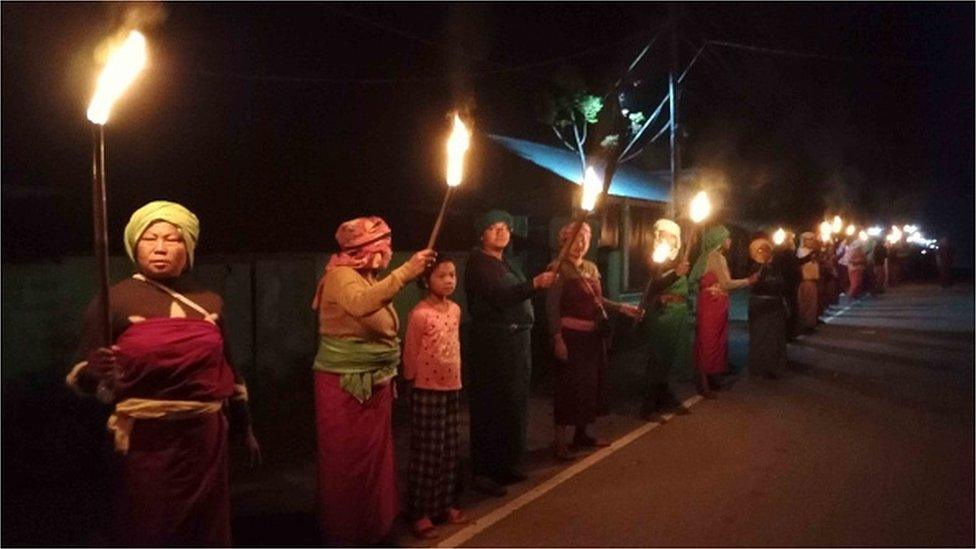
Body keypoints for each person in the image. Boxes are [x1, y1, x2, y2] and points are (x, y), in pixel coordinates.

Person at [65, 200, 260, 546]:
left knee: (204, 526)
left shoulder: (210, 301)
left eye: (172, 239)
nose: (159, 248)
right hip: (144, 442)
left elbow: (229, 369)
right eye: (149, 238)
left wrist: (244, 428)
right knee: (149, 523)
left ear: (188, 247)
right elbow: (82, 375)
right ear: (133, 245)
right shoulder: (114, 300)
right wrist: (94, 373)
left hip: (204, 439)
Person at [310, 216, 436, 545]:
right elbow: (362, 305)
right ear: (366, 250)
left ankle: (373, 526)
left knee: (375, 460)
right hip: (346, 388)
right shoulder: (341, 277)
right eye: (382, 246)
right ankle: (348, 533)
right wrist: (407, 272)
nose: (387, 253)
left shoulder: (366, 278)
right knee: (348, 464)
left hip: (374, 385)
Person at [464, 209, 557, 496]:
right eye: (494, 228)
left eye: (505, 227)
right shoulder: (478, 265)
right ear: (482, 234)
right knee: (491, 406)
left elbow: (518, 290)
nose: (501, 232)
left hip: (516, 343)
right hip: (494, 345)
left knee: (512, 406)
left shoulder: (508, 262)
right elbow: (503, 296)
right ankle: (484, 470)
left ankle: (505, 464)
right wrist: (535, 284)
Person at [545, 221, 639, 460]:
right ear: (563, 242)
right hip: (571, 338)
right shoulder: (557, 269)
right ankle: (559, 442)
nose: (580, 245)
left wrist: (621, 307)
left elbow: (598, 300)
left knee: (589, 388)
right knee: (568, 389)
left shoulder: (591, 268)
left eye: (585, 240)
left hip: (592, 339)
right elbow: (552, 308)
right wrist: (557, 339)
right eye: (575, 239)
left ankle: (581, 434)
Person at [402, 257, 467, 539]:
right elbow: (411, 351)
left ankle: (443, 504)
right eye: (442, 276)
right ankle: (419, 511)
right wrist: (409, 384)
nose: (449, 280)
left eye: (452, 275)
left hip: (452, 385)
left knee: (449, 449)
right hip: (426, 388)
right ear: (427, 280)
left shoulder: (455, 310)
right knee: (427, 452)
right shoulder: (419, 314)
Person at [688, 225, 757, 397]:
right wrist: (748, 281)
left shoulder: (710, 257)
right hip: (712, 305)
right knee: (709, 342)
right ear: (719, 240)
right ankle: (704, 384)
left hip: (713, 304)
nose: (730, 241)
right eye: (727, 238)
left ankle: (710, 379)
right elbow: (726, 283)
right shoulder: (715, 257)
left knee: (713, 341)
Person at [638, 218, 692, 420]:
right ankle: (648, 406)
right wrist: (675, 275)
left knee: (669, 359)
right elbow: (653, 287)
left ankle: (664, 398)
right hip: (661, 315)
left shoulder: (679, 258)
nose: (663, 238)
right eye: (660, 234)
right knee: (658, 359)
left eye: (668, 234)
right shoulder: (655, 257)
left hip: (677, 315)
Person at [747, 236, 788, 379]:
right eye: (761, 249)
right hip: (760, 305)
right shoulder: (754, 267)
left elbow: (782, 283)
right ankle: (759, 368)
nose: (764, 252)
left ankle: (773, 367)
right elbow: (755, 284)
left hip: (775, 306)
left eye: (767, 249)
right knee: (760, 337)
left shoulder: (776, 266)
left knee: (774, 338)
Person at [796, 232, 820, 332]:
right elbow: (804, 260)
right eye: (809, 239)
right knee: (806, 304)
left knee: (812, 304)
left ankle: (811, 323)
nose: (812, 242)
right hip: (806, 280)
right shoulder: (802, 251)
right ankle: (806, 324)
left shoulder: (811, 251)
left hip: (812, 280)